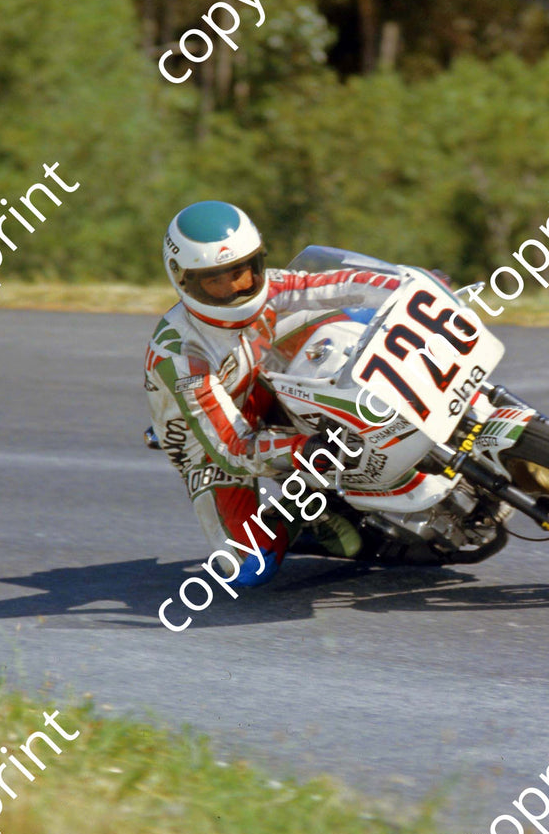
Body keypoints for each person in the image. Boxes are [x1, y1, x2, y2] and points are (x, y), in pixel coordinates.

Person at [143, 200, 402, 586]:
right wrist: (302, 450)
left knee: (351, 315)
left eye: (242, 273)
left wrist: (414, 287)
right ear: (184, 280)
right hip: (211, 444)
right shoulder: (181, 353)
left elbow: (344, 285)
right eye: (216, 280)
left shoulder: (273, 286)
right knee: (249, 569)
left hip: (269, 383)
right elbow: (232, 446)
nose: (235, 289)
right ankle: (306, 505)